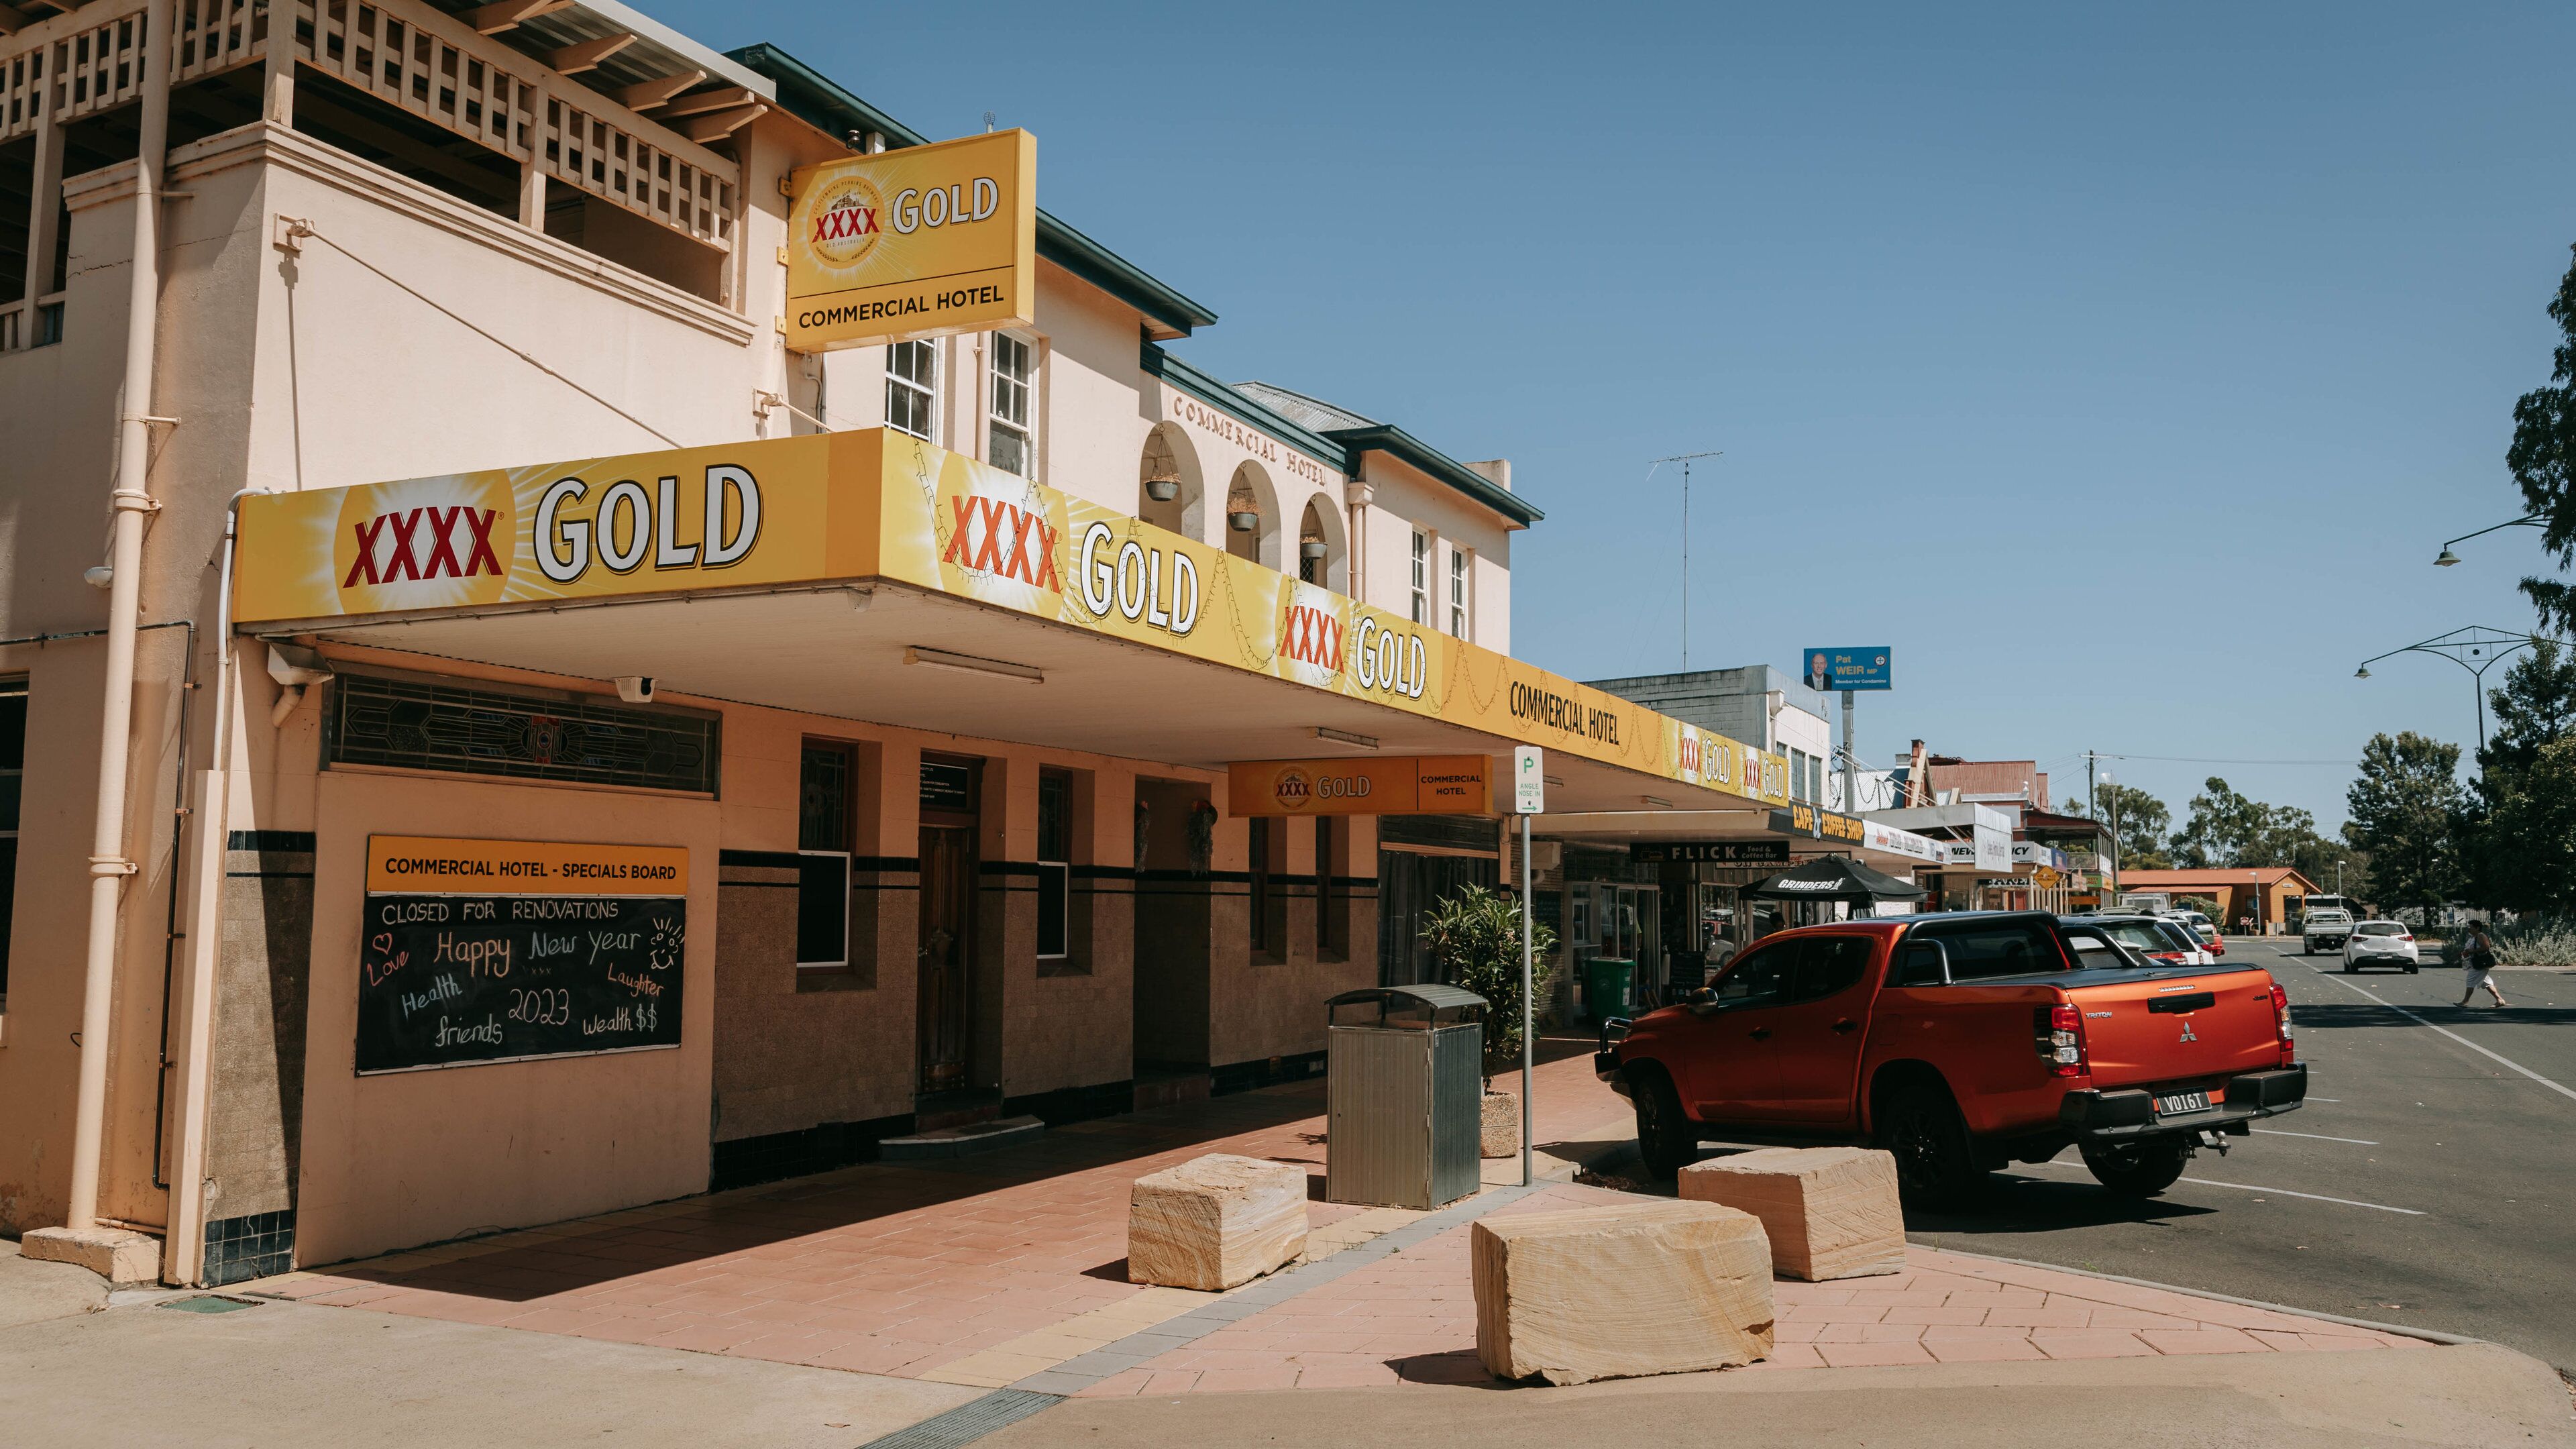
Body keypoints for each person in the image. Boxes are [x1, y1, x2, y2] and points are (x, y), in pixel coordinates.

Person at [2458, 920, 2508, 1009]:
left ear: (2477, 928)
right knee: (2486, 982)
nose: (2469, 928)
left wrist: (2472, 951)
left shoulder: (2481, 936)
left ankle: (2465, 1002)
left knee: (2470, 980)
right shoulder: (2472, 937)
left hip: (2480, 963)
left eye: (2471, 927)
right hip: (2474, 963)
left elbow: (2486, 947)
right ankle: (2500, 1000)